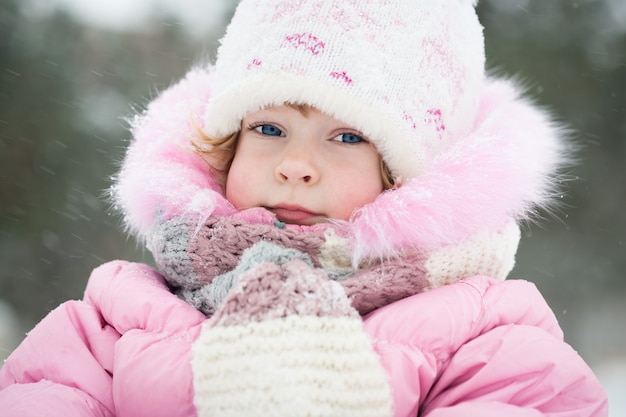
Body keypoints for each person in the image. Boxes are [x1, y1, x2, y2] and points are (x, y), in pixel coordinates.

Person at [0, 0, 609, 416]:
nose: (296, 164)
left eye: (347, 138)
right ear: (224, 148)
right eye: (269, 128)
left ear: (408, 179)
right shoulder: (114, 321)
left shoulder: (487, 337)